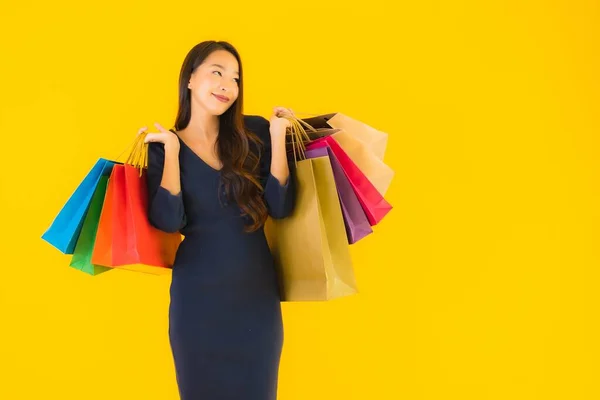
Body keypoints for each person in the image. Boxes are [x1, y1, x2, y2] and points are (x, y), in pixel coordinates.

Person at [139, 40, 296, 399]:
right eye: (217, 72)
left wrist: (277, 137)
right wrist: (174, 153)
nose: (228, 85)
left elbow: (281, 207)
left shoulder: (254, 133)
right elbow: (167, 221)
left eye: (235, 78)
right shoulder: (163, 146)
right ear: (190, 79)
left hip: (255, 298)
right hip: (198, 301)